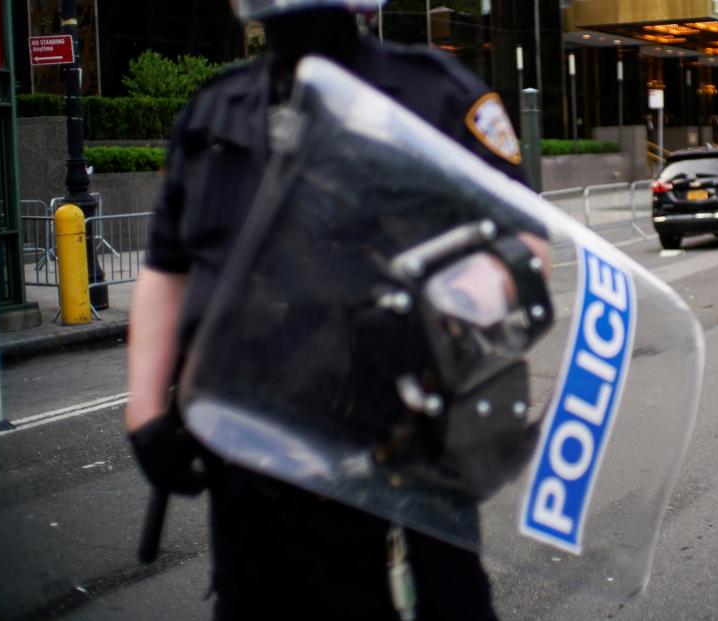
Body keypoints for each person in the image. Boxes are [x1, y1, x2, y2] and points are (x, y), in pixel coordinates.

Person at [124, 1, 539, 618]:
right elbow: (167, 270)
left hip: (405, 468)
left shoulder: (433, 92)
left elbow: (526, 241)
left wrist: (447, 303)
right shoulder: (216, 111)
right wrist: (146, 411)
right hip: (254, 476)